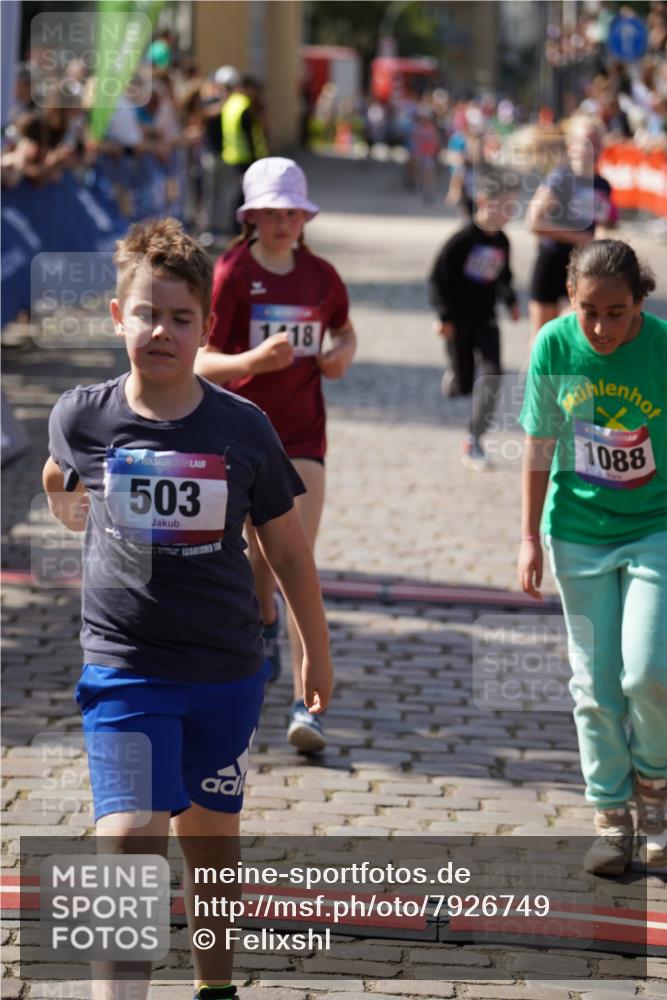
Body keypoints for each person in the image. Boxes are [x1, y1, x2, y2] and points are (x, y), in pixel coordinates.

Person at [42, 218, 334, 1000]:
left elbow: (288, 548)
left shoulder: (241, 429)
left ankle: (216, 986)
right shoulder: (84, 415)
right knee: (131, 837)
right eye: (145, 314)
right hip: (124, 670)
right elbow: (57, 474)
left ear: (206, 327)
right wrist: (76, 518)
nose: (161, 331)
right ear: (117, 317)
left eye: (179, 318)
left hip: (224, 671)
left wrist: (314, 645)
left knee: (210, 840)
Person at [195, 157, 356, 753]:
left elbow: (344, 331)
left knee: (296, 560)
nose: (284, 221)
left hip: (303, 437)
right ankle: (260, 625)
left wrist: (340, 354)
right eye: (272, 212)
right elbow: (200, 359)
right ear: (252, 216)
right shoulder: (233, 274)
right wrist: (250, 364)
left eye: (293, 211)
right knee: (256, 559)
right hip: (238, 435)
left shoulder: (320, 275)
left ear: (304, 216)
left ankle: (306, 707)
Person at [518, 239, 667, 876]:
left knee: (647, 673)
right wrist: (527, 536)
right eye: (589, 311)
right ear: (571, 300)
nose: (601, 327)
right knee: (595, 683)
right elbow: (538, 443)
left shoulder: (661, 347)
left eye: (616, 312)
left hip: (655, 528)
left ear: (640, 301)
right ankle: (611, 815)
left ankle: (655, 795)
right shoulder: (555, 344)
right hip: (577, 533)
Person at [429, 169, 520, 470]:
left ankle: (474, 440)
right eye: (503, 206)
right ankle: (456, 378)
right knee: (466, 383)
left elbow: (504, 275)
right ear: (483, 200)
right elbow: (438, 279)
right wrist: (443, 317)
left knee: (493, 376)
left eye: (512, 207)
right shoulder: (462, 240)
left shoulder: (503, 242)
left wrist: (511, 300)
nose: (508, 213)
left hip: (486, 320)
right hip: (458, 320)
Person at [526, 118, 615, 342]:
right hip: (552, 260)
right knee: (542, 338)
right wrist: (577, 237)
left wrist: (604, 239)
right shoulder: (561, 178)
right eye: (586, 142)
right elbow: (534, 222)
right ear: (572, 146)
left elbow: (602, 223)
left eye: (596, 142)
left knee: (574, 333)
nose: (591, 148)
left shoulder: (603, 185)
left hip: (583, 265)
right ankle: (532, 378)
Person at [221, 73, 268, 235]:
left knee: (235, 195)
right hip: (246, 158)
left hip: (232, 155)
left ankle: (233, 228)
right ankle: (239, 229)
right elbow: (249, 135)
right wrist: (257, 160)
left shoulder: (231, 103)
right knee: (243, 196)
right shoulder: (245, 105)